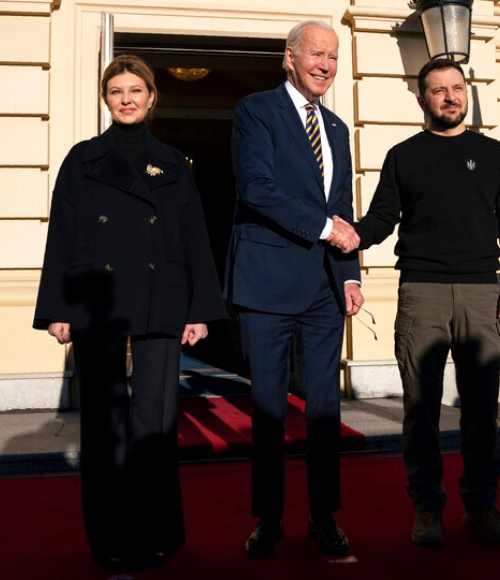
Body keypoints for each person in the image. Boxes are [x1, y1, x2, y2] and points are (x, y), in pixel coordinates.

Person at [32, 55, 226, 570]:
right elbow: (62, 236)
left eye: (135, 89)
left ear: (151, 96)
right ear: (106, 98)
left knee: (155, 424)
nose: (126, 98)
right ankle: (111, 540)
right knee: (103, 426)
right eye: (116, 90)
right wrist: (57, 308)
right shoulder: (82, 159)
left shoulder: (175, 162)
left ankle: (157, 531)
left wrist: (200, 309)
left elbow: (194, 239)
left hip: (161, 298)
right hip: (96, 298)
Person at [346, 58, 500, 547]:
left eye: (456, 88)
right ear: (421, 98)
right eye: (438, 90)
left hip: (481, 293)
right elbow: (382, 218)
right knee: (420, 409)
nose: (449, 96)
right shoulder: (404, 155)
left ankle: (482, 505)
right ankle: (427, 508)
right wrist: (353, 235)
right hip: (421, 293)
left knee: (482, 408)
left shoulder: (492, 155)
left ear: (465, 93)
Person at [224, 20, 364, 559]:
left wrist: (350, 273)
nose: (325, 65)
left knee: (325, 410)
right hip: (267, 287)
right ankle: (269, 519)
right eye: (316, 55)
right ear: (290, 57)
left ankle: (324, 516)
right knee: (268, 410)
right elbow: (257, 189)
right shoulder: (256, 111)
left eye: (332, 57)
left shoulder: (337, 129)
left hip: (326, 291)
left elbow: (343, 209)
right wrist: (328, 229)